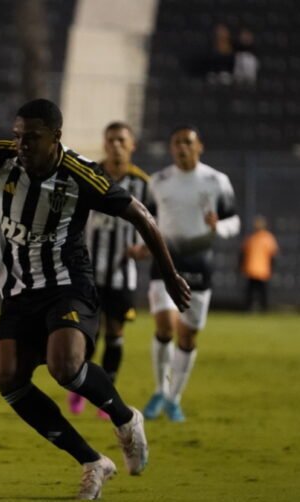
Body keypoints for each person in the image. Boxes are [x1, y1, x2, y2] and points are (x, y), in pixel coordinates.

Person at [0, 99, 190, 500]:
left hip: (68, 285)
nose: (22, 144)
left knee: (65, 366)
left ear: (56, 137)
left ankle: (125, 419)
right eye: (18, 135)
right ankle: (93, 462)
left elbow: (141, 216)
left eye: (32, 137)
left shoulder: (80, 174)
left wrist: (170, 274)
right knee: (6, 376)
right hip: (18, 293)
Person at [141, 125, 240, 422]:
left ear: (199, 147)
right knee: (165, 326)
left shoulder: (217, 180)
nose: (182, 147)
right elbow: (145, 219)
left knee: (187, 335)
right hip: (165, 264)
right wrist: (141, 245)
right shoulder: (158, 181)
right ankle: (160, 390)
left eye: (187, 142)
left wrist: (218, 227)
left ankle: (174, 399)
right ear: (171, 148)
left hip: (199, 264)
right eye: (177, 143)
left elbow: (233, 221)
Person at [68, 122, 151, 420]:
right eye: (111, 140)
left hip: (121, 274)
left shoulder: (143, 184)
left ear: (132, 145)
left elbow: (154, 226)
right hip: (86, 271)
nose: (116, 145)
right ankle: (80, 387)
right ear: (104, 144)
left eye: (122, 140)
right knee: (89, 332)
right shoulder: (88, 175)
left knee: (115, 331)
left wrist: (143, 249)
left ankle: (107, 395)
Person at [241, 215, 278, 312]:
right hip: (259, 269)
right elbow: (273, 255)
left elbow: (243, 253)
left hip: (254, 269)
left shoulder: (253, 238)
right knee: (259, 292)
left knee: (254, 291)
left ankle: (253, 308)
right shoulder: (267, 238)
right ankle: (261, 308)